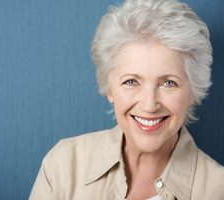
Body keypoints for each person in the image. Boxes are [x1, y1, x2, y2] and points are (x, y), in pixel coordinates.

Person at [29, 0, 224, 199]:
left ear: (193, 91)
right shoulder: (63, 166)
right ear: (109, 88)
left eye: (169, 83)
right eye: (131, 81)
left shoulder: (218, 190)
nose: (149, 105)